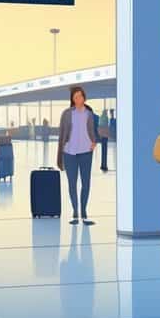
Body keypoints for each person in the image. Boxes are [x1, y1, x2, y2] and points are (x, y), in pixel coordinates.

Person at [57, 87, 98, 225]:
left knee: (86, 183)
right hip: (70, 152)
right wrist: (61, 149)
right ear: (72, 99)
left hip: (86, 152)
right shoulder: (67, 114)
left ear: (84, 97)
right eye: (75, 97)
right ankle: (75, 212)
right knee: (72, 183)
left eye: (80, 96)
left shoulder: (89, 114)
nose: (78, 99)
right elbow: (62, 133)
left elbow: (92, 130)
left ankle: (84, 212)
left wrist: (94, 142)